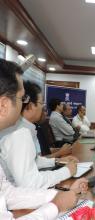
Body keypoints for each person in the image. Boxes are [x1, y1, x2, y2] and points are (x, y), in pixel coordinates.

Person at [0, 59, 88, 219]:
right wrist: (56, 204)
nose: (23, 104)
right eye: (22, 98)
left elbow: (5, 192)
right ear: (4, 105)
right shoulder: (18, 133)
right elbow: (29, 184)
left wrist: (57, 195)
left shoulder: (22, 130)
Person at [0, 80, 78, 189]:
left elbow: (32, 160)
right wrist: (66, 171)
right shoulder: (20, 132)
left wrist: (57, 160)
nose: (43, 108)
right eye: (42, 103)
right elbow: (30, 183)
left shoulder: (26, 127)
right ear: (31, 106)